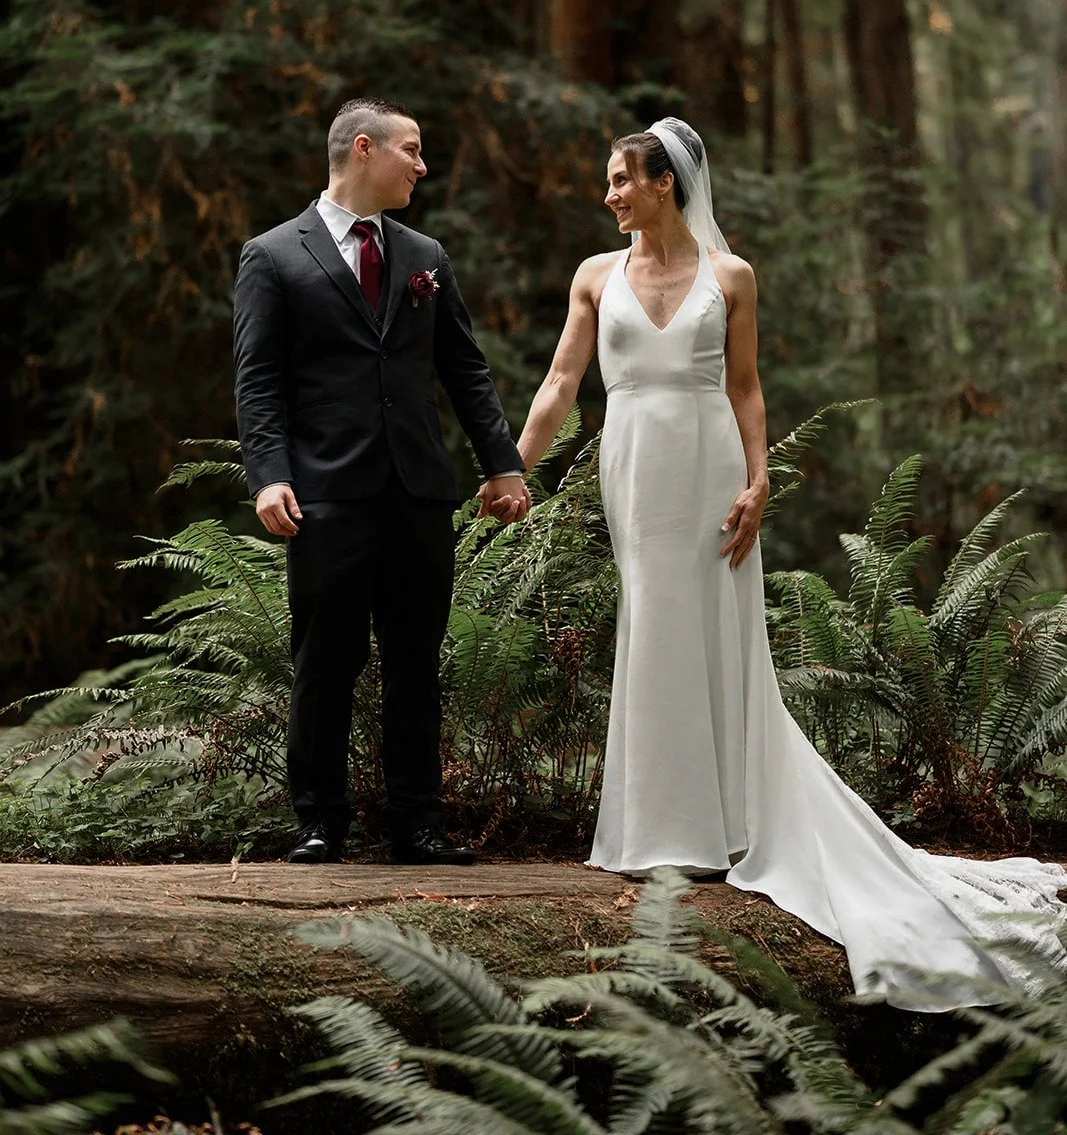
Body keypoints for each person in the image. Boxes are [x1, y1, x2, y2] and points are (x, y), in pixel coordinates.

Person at [514, 115, 1067, 1010]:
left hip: (711, 468)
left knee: (711, 627)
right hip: (633, 462)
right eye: (608, 180)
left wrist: (760, 478)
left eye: (622, 179)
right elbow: (558, 383)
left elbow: (744, 386)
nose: (608, 193)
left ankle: (722, 824)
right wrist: (515, 466)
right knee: (651, 618)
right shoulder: (593, 277)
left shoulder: (730, 276)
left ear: (665, 183)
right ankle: (656, 831)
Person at [233, 97, 530, 866]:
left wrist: (501, 464)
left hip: (417, 493)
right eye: (413, 150)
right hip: (325, 492)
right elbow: (258, 382)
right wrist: (268, 476)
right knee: (324, 662)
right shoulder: (272, 255)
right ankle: (319, 822)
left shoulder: (425, 253)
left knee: (414, 665)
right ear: (363, 150)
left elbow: (464, 370)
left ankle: (418, 824)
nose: (423, 166)